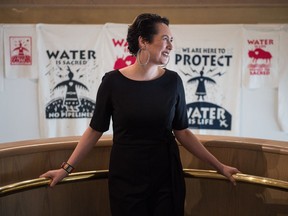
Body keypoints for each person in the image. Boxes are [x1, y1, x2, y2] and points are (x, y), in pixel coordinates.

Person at [40, 13, 240, 216]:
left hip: (166, 178)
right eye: (165, 39)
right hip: (126, 178)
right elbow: (95, 130)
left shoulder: (173, 82)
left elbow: (183, 132)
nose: (170, 46)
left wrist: (220, 166)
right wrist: (66, 169)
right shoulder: (112, 82)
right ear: (143, 41)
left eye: (172, 40)